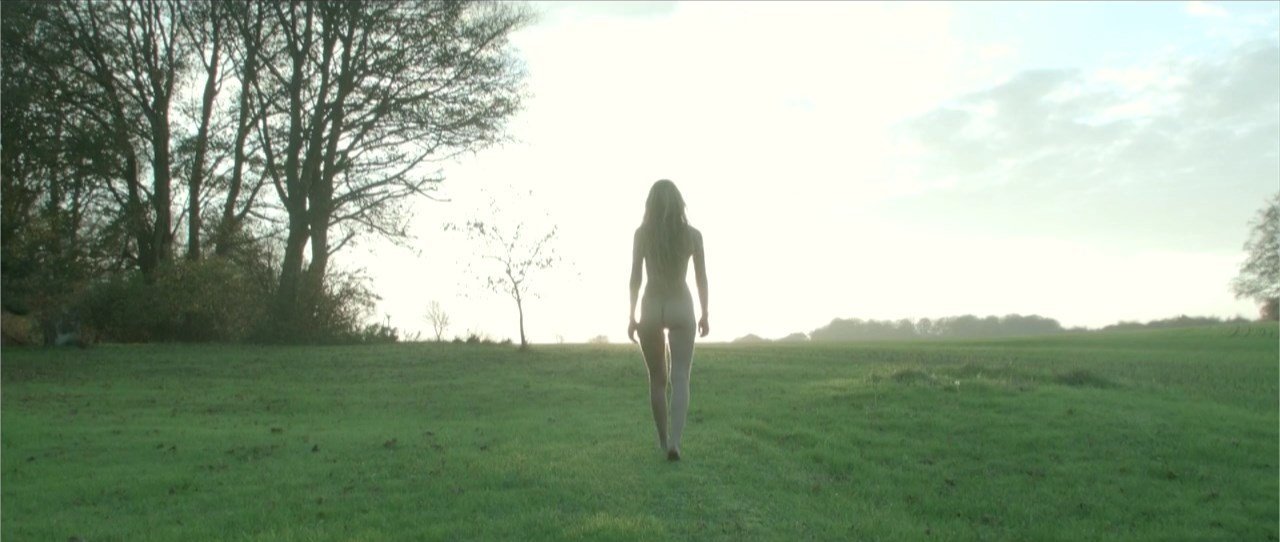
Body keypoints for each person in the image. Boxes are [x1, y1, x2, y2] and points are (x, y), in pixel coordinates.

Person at [628, 179, 709, 461]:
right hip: (681, 305)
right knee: (680, 376)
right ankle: (675, 441)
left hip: (651, 306)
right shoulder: (693, 236)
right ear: (679, 203)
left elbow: (635, 278)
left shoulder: (642, 235)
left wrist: (631, 315)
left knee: (657, 379)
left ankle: (663, 441)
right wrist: (705, 313)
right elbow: (701, 279)